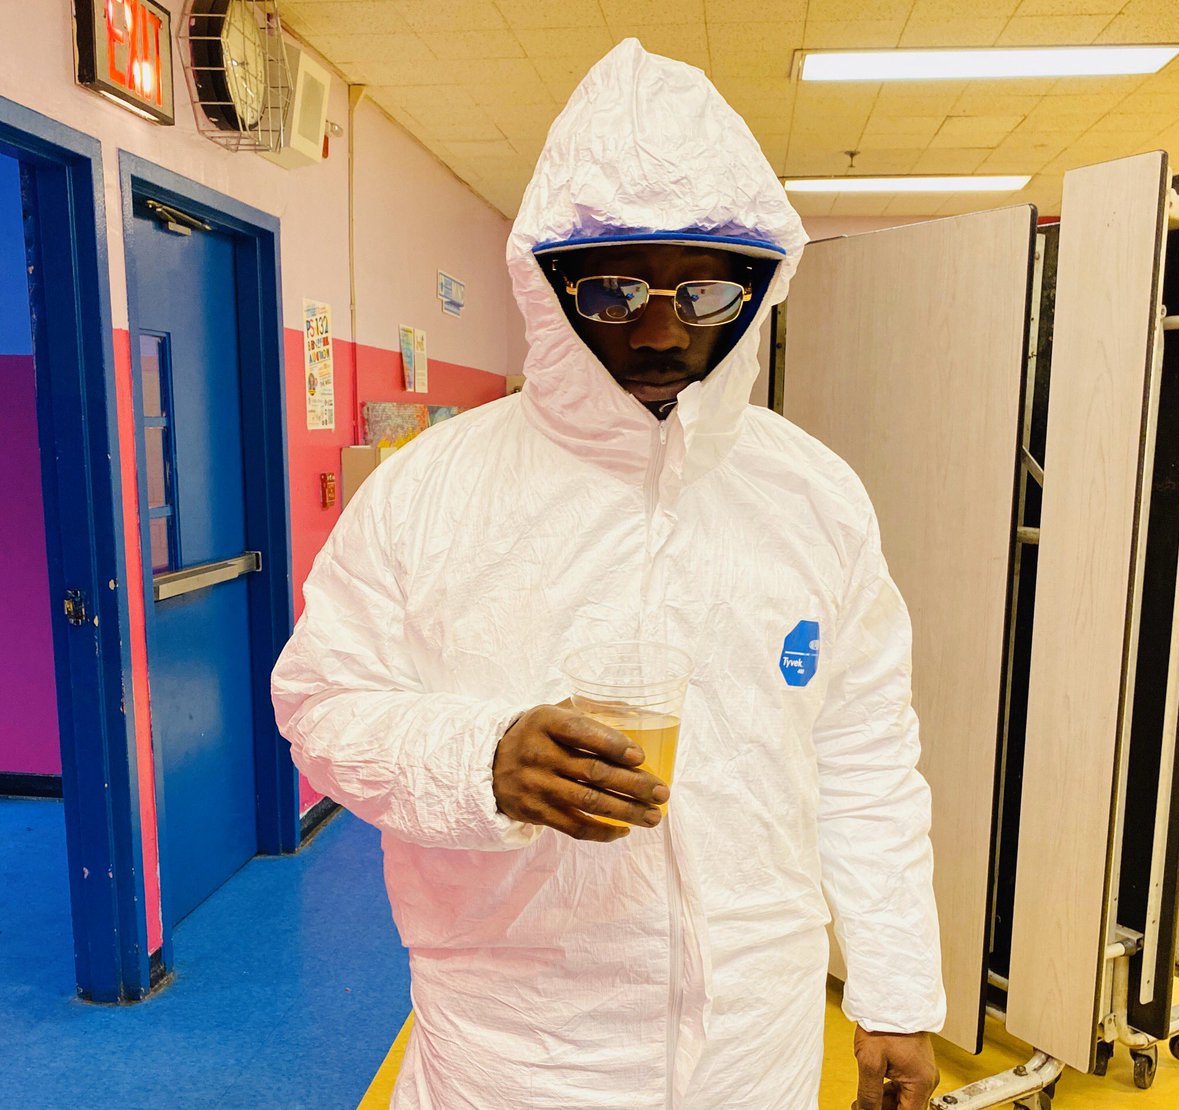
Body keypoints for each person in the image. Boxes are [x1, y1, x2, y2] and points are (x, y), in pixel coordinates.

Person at [272, 39, 945, 1110]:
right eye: (617, 290)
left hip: (753, 1042)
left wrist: (898, 991)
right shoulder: (433, 489)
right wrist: (483, 758)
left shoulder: (811, 496)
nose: (664, 331)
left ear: (761, 285)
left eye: (710, 291)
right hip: (517, 1051)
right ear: (551, 287)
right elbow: (322, 706)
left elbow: (863, 750)